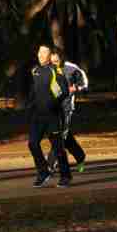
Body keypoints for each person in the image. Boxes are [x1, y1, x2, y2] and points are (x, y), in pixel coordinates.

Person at [26, 43, 72, 188]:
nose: (40, 55)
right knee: (32, 144)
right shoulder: (35, 71)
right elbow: (33, 93)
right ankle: (43, 172)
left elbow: (63, 91)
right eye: (39, 52)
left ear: (50, 56)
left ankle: (65, 176)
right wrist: (30, 107)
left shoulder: (55, 71)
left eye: (44, 53)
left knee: (57, 147)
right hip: (37, 116)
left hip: (52, 116)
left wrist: (52, 104)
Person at [50, 50, 88, 174]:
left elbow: (85, 83)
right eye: (52, 61)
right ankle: (80, 157)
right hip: (54, 108)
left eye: (57, 60)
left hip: (67, 108)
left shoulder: (71, 68)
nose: (55, 63)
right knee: (65, 136)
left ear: (61, 58)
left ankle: (50, 164)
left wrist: (75, 88)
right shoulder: (48, 69)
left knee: (60, 135)